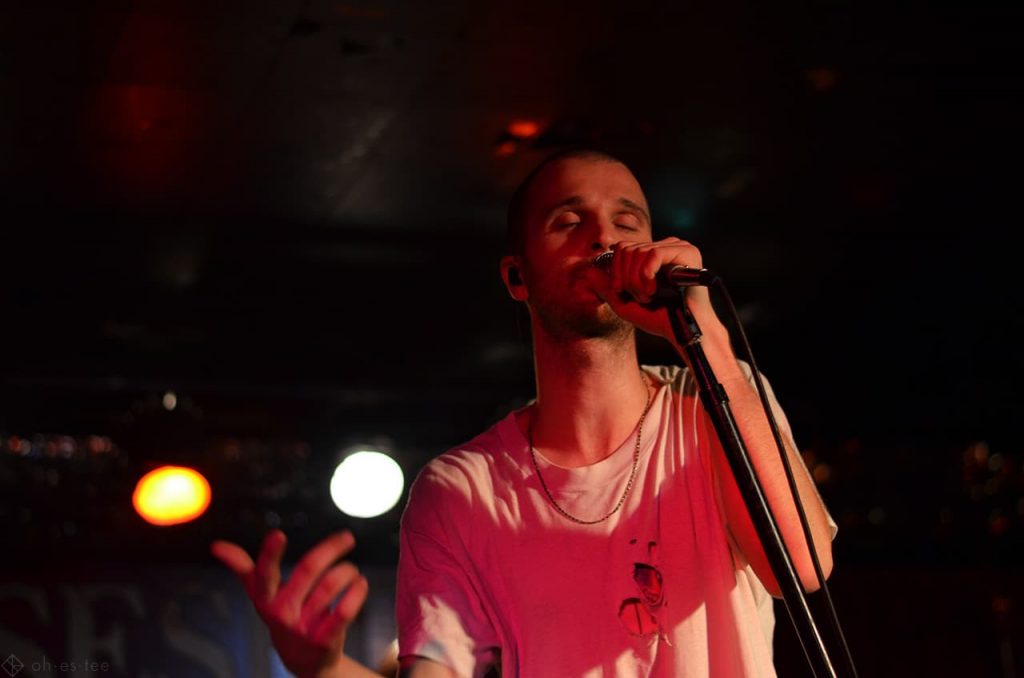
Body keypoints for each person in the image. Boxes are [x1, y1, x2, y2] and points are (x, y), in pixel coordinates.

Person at [213, 148, 836, 677]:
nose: (605, 238)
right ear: (517, 276)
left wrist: (705, 335)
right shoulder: (462, 490)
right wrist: (325, 669)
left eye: (627, 221)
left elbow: (802, 567)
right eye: (570, 222)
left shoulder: (715, 397)